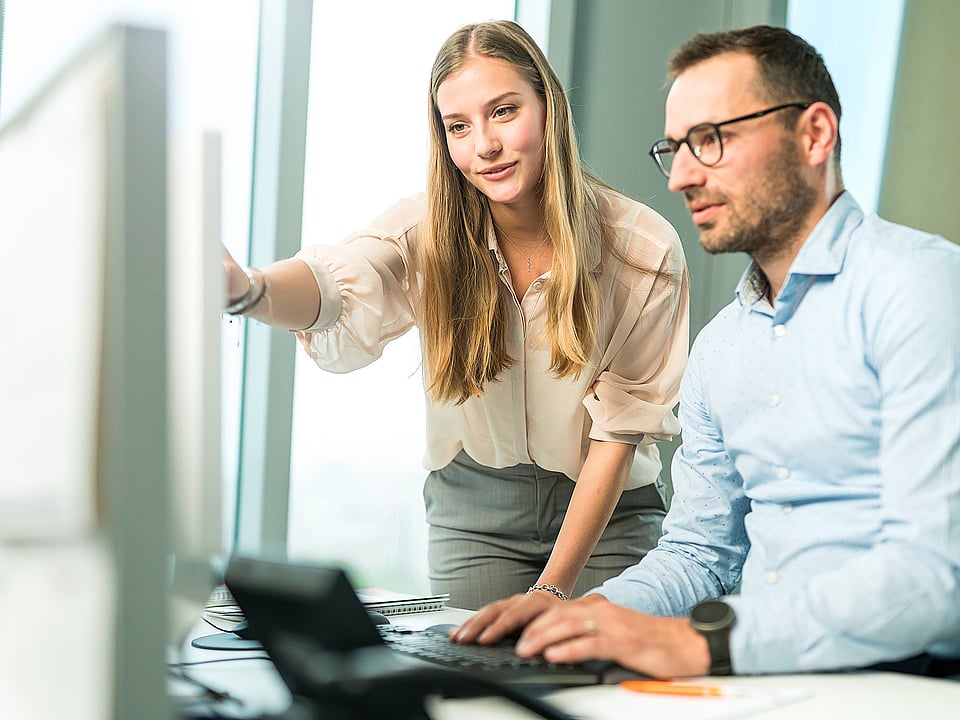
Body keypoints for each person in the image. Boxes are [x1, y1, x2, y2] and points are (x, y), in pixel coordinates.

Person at [452, 24, 960, 677]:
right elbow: (698, 555)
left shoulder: (921, 288)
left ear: (815, 134)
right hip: (766, 677)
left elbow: (938, 576)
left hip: (906, 680)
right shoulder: (721, 346)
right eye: (675, 147)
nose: (682, 177)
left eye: (711, 140)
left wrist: (705, 645)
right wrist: (575, 617)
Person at [223, 20, 689, 610]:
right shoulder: (423, 231)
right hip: (474, 515)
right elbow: (332, 283)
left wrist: (552, 588)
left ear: (550, 109)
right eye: (458, 127)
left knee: (604, 690)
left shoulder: (642, 250)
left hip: (610, 513)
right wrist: (248, 288)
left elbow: (618, 433)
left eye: (504, 111)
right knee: (471, 687)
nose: (484, 146)